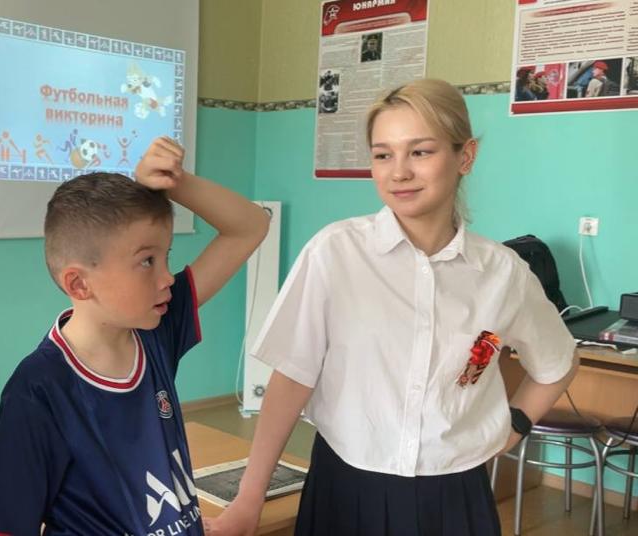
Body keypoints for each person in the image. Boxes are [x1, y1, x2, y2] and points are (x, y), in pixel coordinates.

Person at [207, 79, 578, 536]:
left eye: (420, 151)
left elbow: (558, 363)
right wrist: (249, 498)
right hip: (345, 488)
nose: (399, 172)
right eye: (383, 155)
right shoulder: (335, 252)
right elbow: (292, 379)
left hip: (456, 495)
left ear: (465, 156)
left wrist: (514, 425)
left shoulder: (502, 273)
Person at [0, 137, 269, 535]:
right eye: (146, 261)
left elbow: (251, 226)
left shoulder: (156, 329)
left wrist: (175, 182)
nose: (167, 278)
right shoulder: (39, 387)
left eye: (166, 257)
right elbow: (5, 528)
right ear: (79, 284)